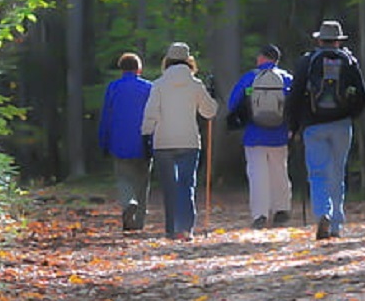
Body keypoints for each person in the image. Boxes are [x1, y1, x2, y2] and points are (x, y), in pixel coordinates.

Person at [286, 20, 365, 240]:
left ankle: (324, 213)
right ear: (338, 41)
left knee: (318, 173)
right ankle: (336, 226)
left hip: (313, 126)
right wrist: (351, 114)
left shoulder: (307, 62)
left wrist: (293, 126)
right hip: (341, 125)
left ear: (320, 40)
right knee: (337, 173)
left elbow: (294, 96)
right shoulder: (349, 62)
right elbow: (362, 95)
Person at [141, 42, 219, 241]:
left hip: (163, 142)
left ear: (167, 60)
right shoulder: (195, 84)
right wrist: (212, 95)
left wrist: (146, 134)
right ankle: (185, 229)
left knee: (170, 187)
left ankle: (171, 229)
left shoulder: (158, 84)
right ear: (188, 60)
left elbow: (151, 113)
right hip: (189, 142)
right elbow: (209, 112)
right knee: (186, 185)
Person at [227, 44, 293, 229]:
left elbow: (233, 103)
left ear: (262, 58)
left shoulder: (250, 77)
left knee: (257, 175)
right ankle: (281, 209)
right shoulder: (286, 78)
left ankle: (260, 214)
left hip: (254, 134)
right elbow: (296, 104)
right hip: (279, 134)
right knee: (279, 171)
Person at [98, 52, 154, 232]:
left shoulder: (113, 88)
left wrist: (103, 142)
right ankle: (139, 222)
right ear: (139, 69)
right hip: (144, 142)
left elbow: (106, 117)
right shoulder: (148, 88)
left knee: (124, 178)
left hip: (119, 142)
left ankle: (129, 203)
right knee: (143, 182)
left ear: (121, 69)